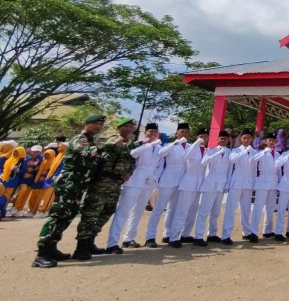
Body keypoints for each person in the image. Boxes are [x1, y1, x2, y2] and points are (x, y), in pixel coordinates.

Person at [33, 114, 107, 268]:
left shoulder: (92, 140)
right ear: (86, 124)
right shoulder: (79, 139)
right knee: (58, 215)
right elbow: (88, 151)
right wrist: (109, 146)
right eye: (95, 124)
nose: (98, 127)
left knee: (68, 215)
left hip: (79, 186)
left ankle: (52, 247)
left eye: (100, 125)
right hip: (69, 184)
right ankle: (42, 253)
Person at [74, 117, 137, 254]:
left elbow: (132, 160)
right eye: (125, 126)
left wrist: (129, 172)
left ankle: (90, 241)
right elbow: (101, 155)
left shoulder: (131, 144)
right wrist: (115, 146)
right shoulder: (112, 140)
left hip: (116, 183)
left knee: (106, 212)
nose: (128, 129)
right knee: (92, 212)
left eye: (131, 127)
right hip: (103, 181)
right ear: (118, 128)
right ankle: (81, 246)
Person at [145, 122, 190, 246]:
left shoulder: (190, 146)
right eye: (181, 131)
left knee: (173, 209)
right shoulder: (169, 145)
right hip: (168, 179)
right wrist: (176, 142)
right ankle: (150, 237)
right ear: (176, 133)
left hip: (182, 181)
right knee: (158, 208)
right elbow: (161, 153)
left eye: (186, 132)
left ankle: (168, 234)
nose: (184, 134)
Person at [168, 128, 211, 247]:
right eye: (201, 135)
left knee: (192, 212)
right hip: (188, 182)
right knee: (182, 210)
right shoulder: (191, 148)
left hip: (199, 183)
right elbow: (185, 157)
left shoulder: (207, 151)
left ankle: (185, 234)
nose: (203, 138)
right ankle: (174, 237)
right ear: (197, 137)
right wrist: (196, 143)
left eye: (206, 136)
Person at [193, 130, 232, 245]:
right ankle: (199, 236)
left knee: (216, 212)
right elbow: (204, 162)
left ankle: (212, 234)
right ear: (217, 139)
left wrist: (227, 183)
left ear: (228, 140)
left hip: (221, 183)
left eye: (225, 138)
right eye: (221, 138)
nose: (223, 140)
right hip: (210, 182)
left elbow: (229, 170)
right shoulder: (211, 151)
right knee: (204, 211)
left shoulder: (230, 152)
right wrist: (217, 153)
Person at [221, 128, 258, 244]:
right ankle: (226, 235)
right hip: (236, 181)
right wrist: (245, 151)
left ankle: (246, 232)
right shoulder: (236, 150)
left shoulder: (254, 152)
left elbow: (255, 169)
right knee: (231, 209)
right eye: (244, 138)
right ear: (241, 139)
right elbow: (232, 160)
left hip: (248, 182)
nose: (246, 140)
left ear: (252, 139)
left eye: (249, 138)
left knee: (246, 209)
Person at [251, 132, 280, 239]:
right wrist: (264, 152)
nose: (272, 142)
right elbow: (253, 160)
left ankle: (267, 230)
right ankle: (253, 231)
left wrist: (279, 183)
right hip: (263, 181)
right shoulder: (260, 153)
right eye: (270, 140)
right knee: (258, 207)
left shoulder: (277, 154)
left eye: (273, 141)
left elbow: (279, 171)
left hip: (273, 182)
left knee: (270, 208)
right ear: (266, 142)